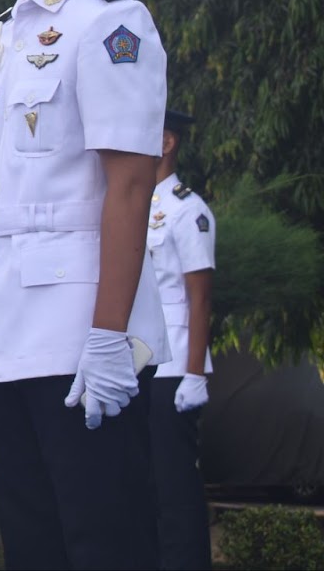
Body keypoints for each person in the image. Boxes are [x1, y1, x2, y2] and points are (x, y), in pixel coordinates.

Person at [0, 0, 170, 569]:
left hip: (81, 330)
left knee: (103, 541)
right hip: (9, 324)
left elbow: (128, 185)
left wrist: (111, 334)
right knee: (34, 544)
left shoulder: (111, 23)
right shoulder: (5, 36)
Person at [147, 108, 216, 569]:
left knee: (175, 485)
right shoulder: (129, 203)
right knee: (143, 485)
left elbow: (200, 298)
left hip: (173, 368)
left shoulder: (188, 210)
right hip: (137, 363)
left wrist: (195, 374)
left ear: (167, 142)